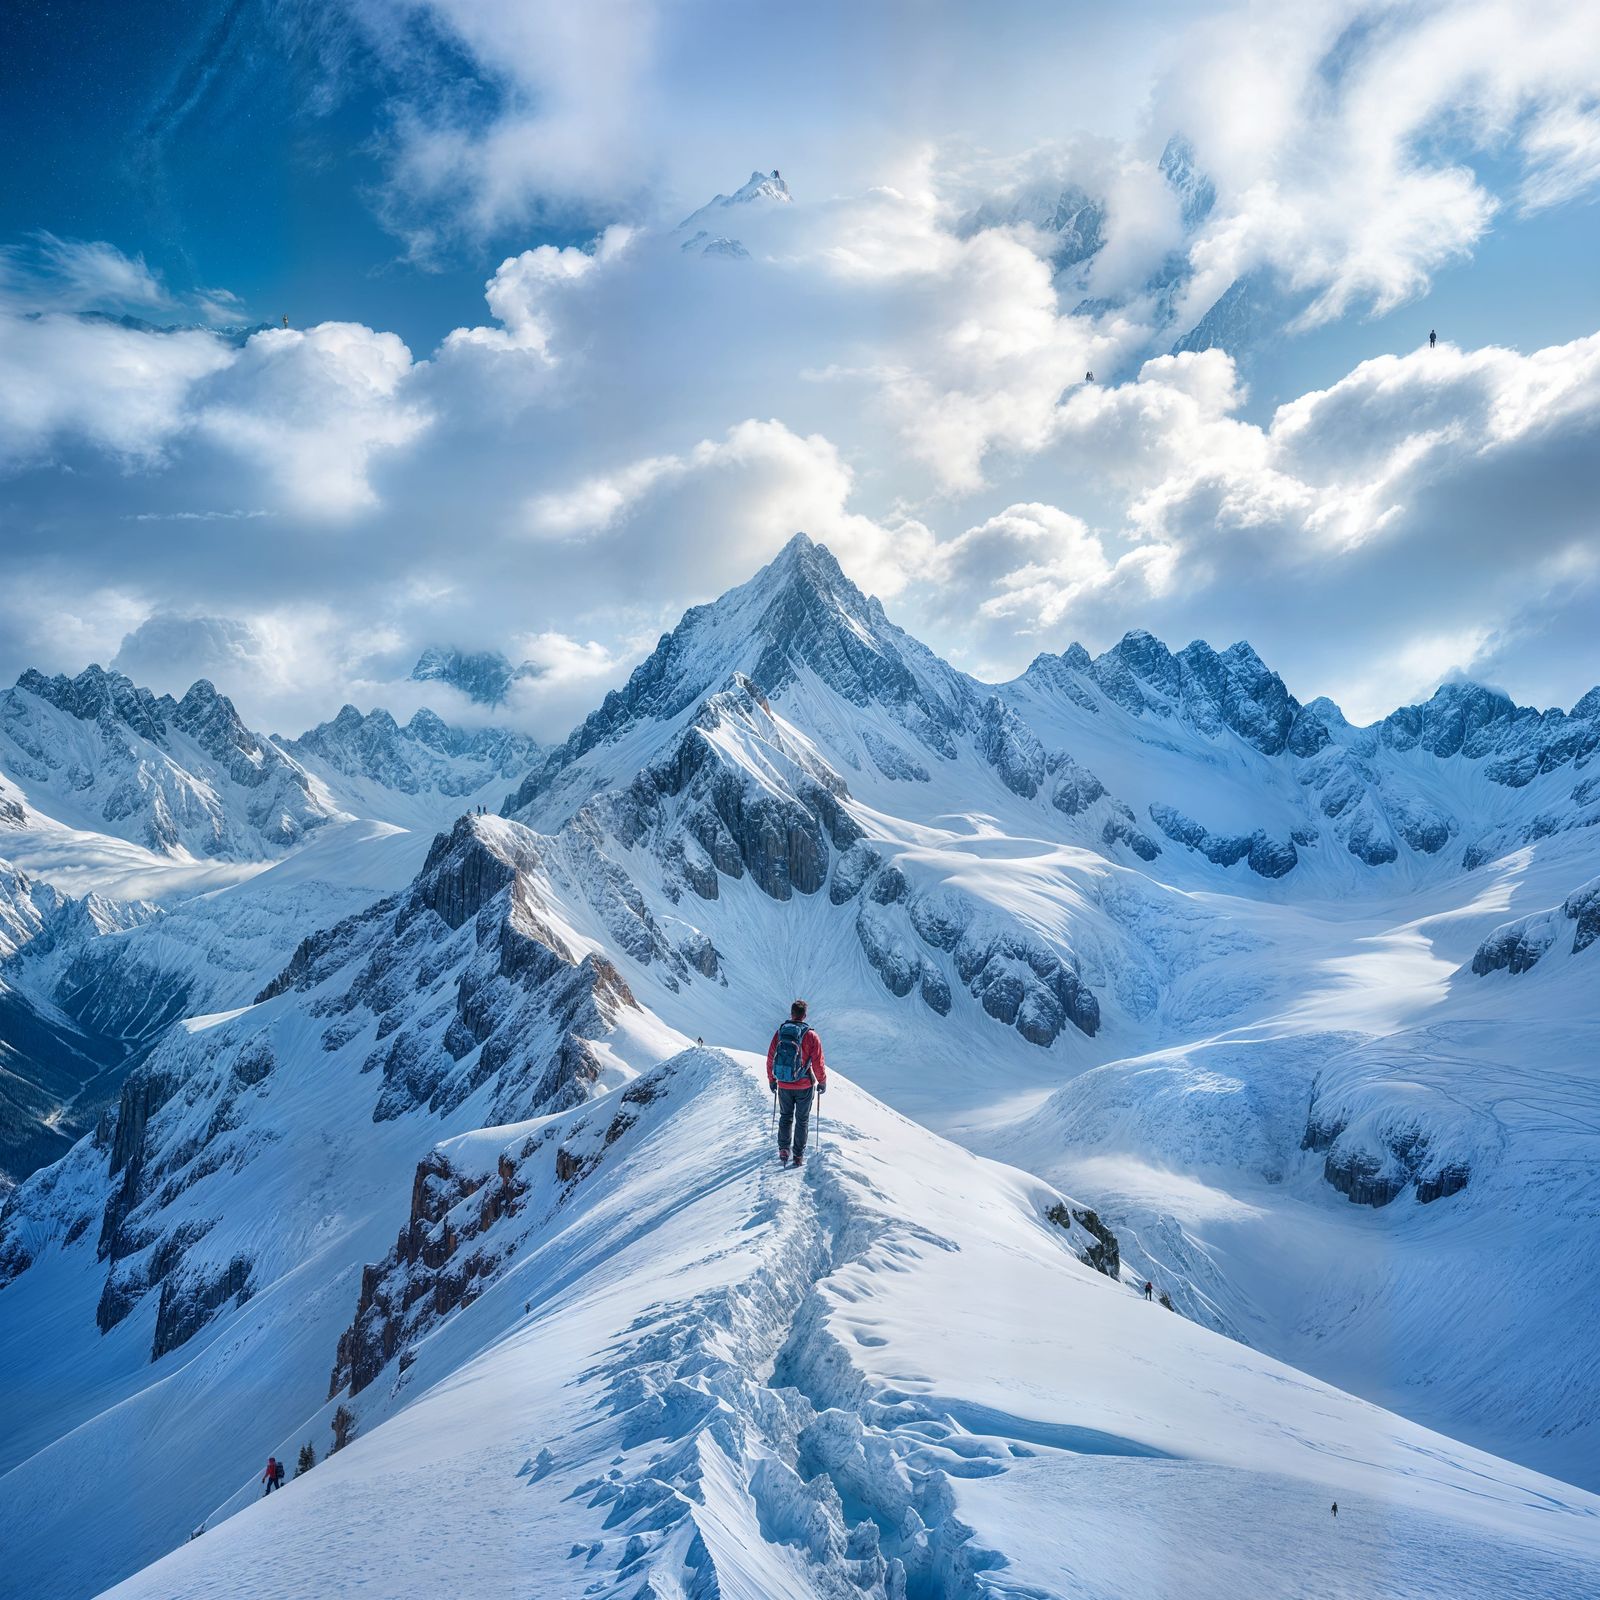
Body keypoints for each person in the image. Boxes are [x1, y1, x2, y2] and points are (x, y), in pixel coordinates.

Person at [767, 999, 826, 1167]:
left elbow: (771, 1058)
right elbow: (818, 1062)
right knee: (802, 1120)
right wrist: (822, 1082)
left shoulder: (780, 1033)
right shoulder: (811, 1035)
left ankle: (784, 1149)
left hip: (784, 1083)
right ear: (804, 1015)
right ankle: (798, 1156)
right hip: (804, 1085)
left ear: (791, 1014)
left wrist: (772, 1080)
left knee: (785, 1117)